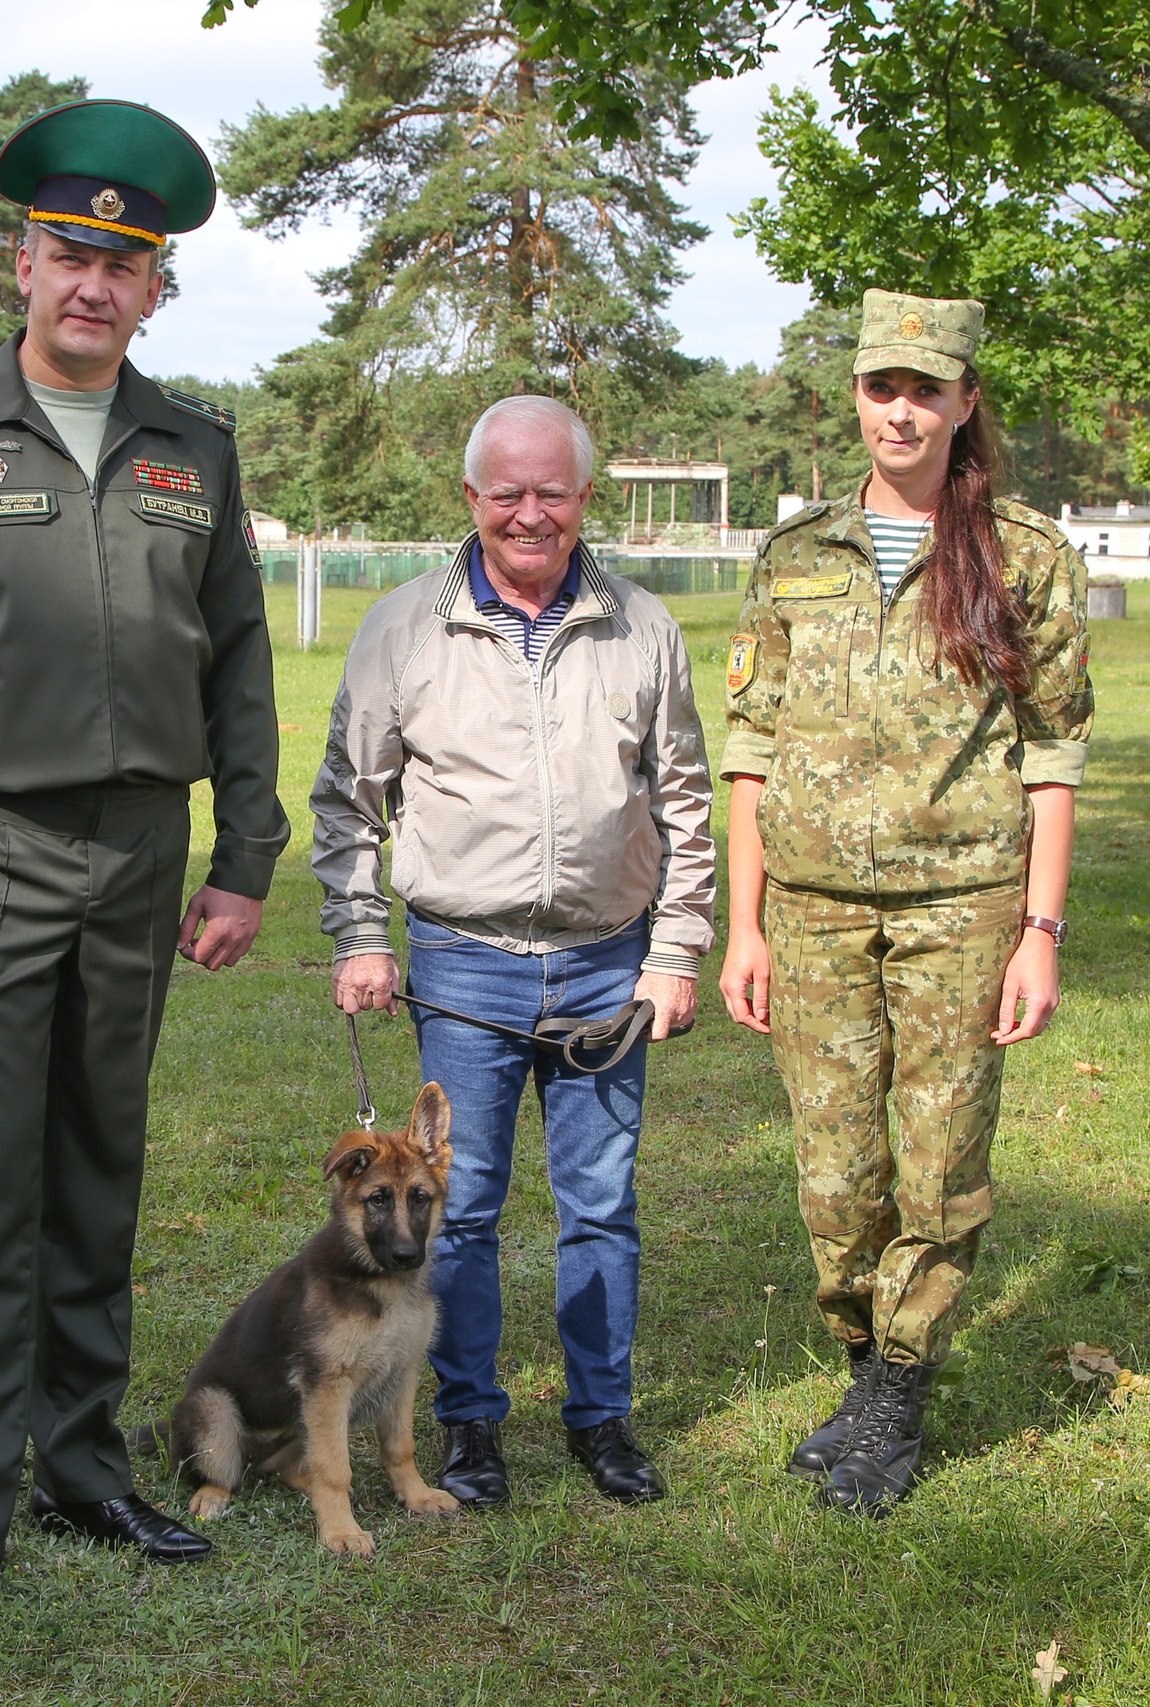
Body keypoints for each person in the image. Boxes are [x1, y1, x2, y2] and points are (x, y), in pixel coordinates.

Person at [0, 100, 288, 1649]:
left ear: (155, 289)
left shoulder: (194, 449)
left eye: (125, 264)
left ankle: (80, 1463)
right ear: (21, 262)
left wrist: (245, 856)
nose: (94, 284)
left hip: (145, 856)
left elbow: (237, 666)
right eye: (70, 253)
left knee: (98, 1166)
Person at [717, 290, 1091, 1513]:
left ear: (965, 402)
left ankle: (898, 1391)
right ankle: (860, 1357)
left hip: (962, 909)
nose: (901, 408)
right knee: (835, 1169)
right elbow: (751, 746)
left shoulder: (1026, 557)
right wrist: (747, 922)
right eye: (883, 385)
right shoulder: (793, 556)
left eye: (926, 388)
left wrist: (1040, 930)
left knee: (936, 1163)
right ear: (858, 397)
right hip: (814, 911)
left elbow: (1051, 752)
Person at [311, 394, 718, 1510]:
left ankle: (600, 1420)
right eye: (507, 493)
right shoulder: (401, 627)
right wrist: (358, 935)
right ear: (471, 498)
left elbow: (684, 797)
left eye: (551, 491)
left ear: (587, 497)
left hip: (607, 967)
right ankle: (470, 1428)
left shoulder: (644, 627)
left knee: (600, 1205)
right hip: (465, 966)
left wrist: (674, 950)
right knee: (464, 1209)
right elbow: (348, 800)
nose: (529, 513)